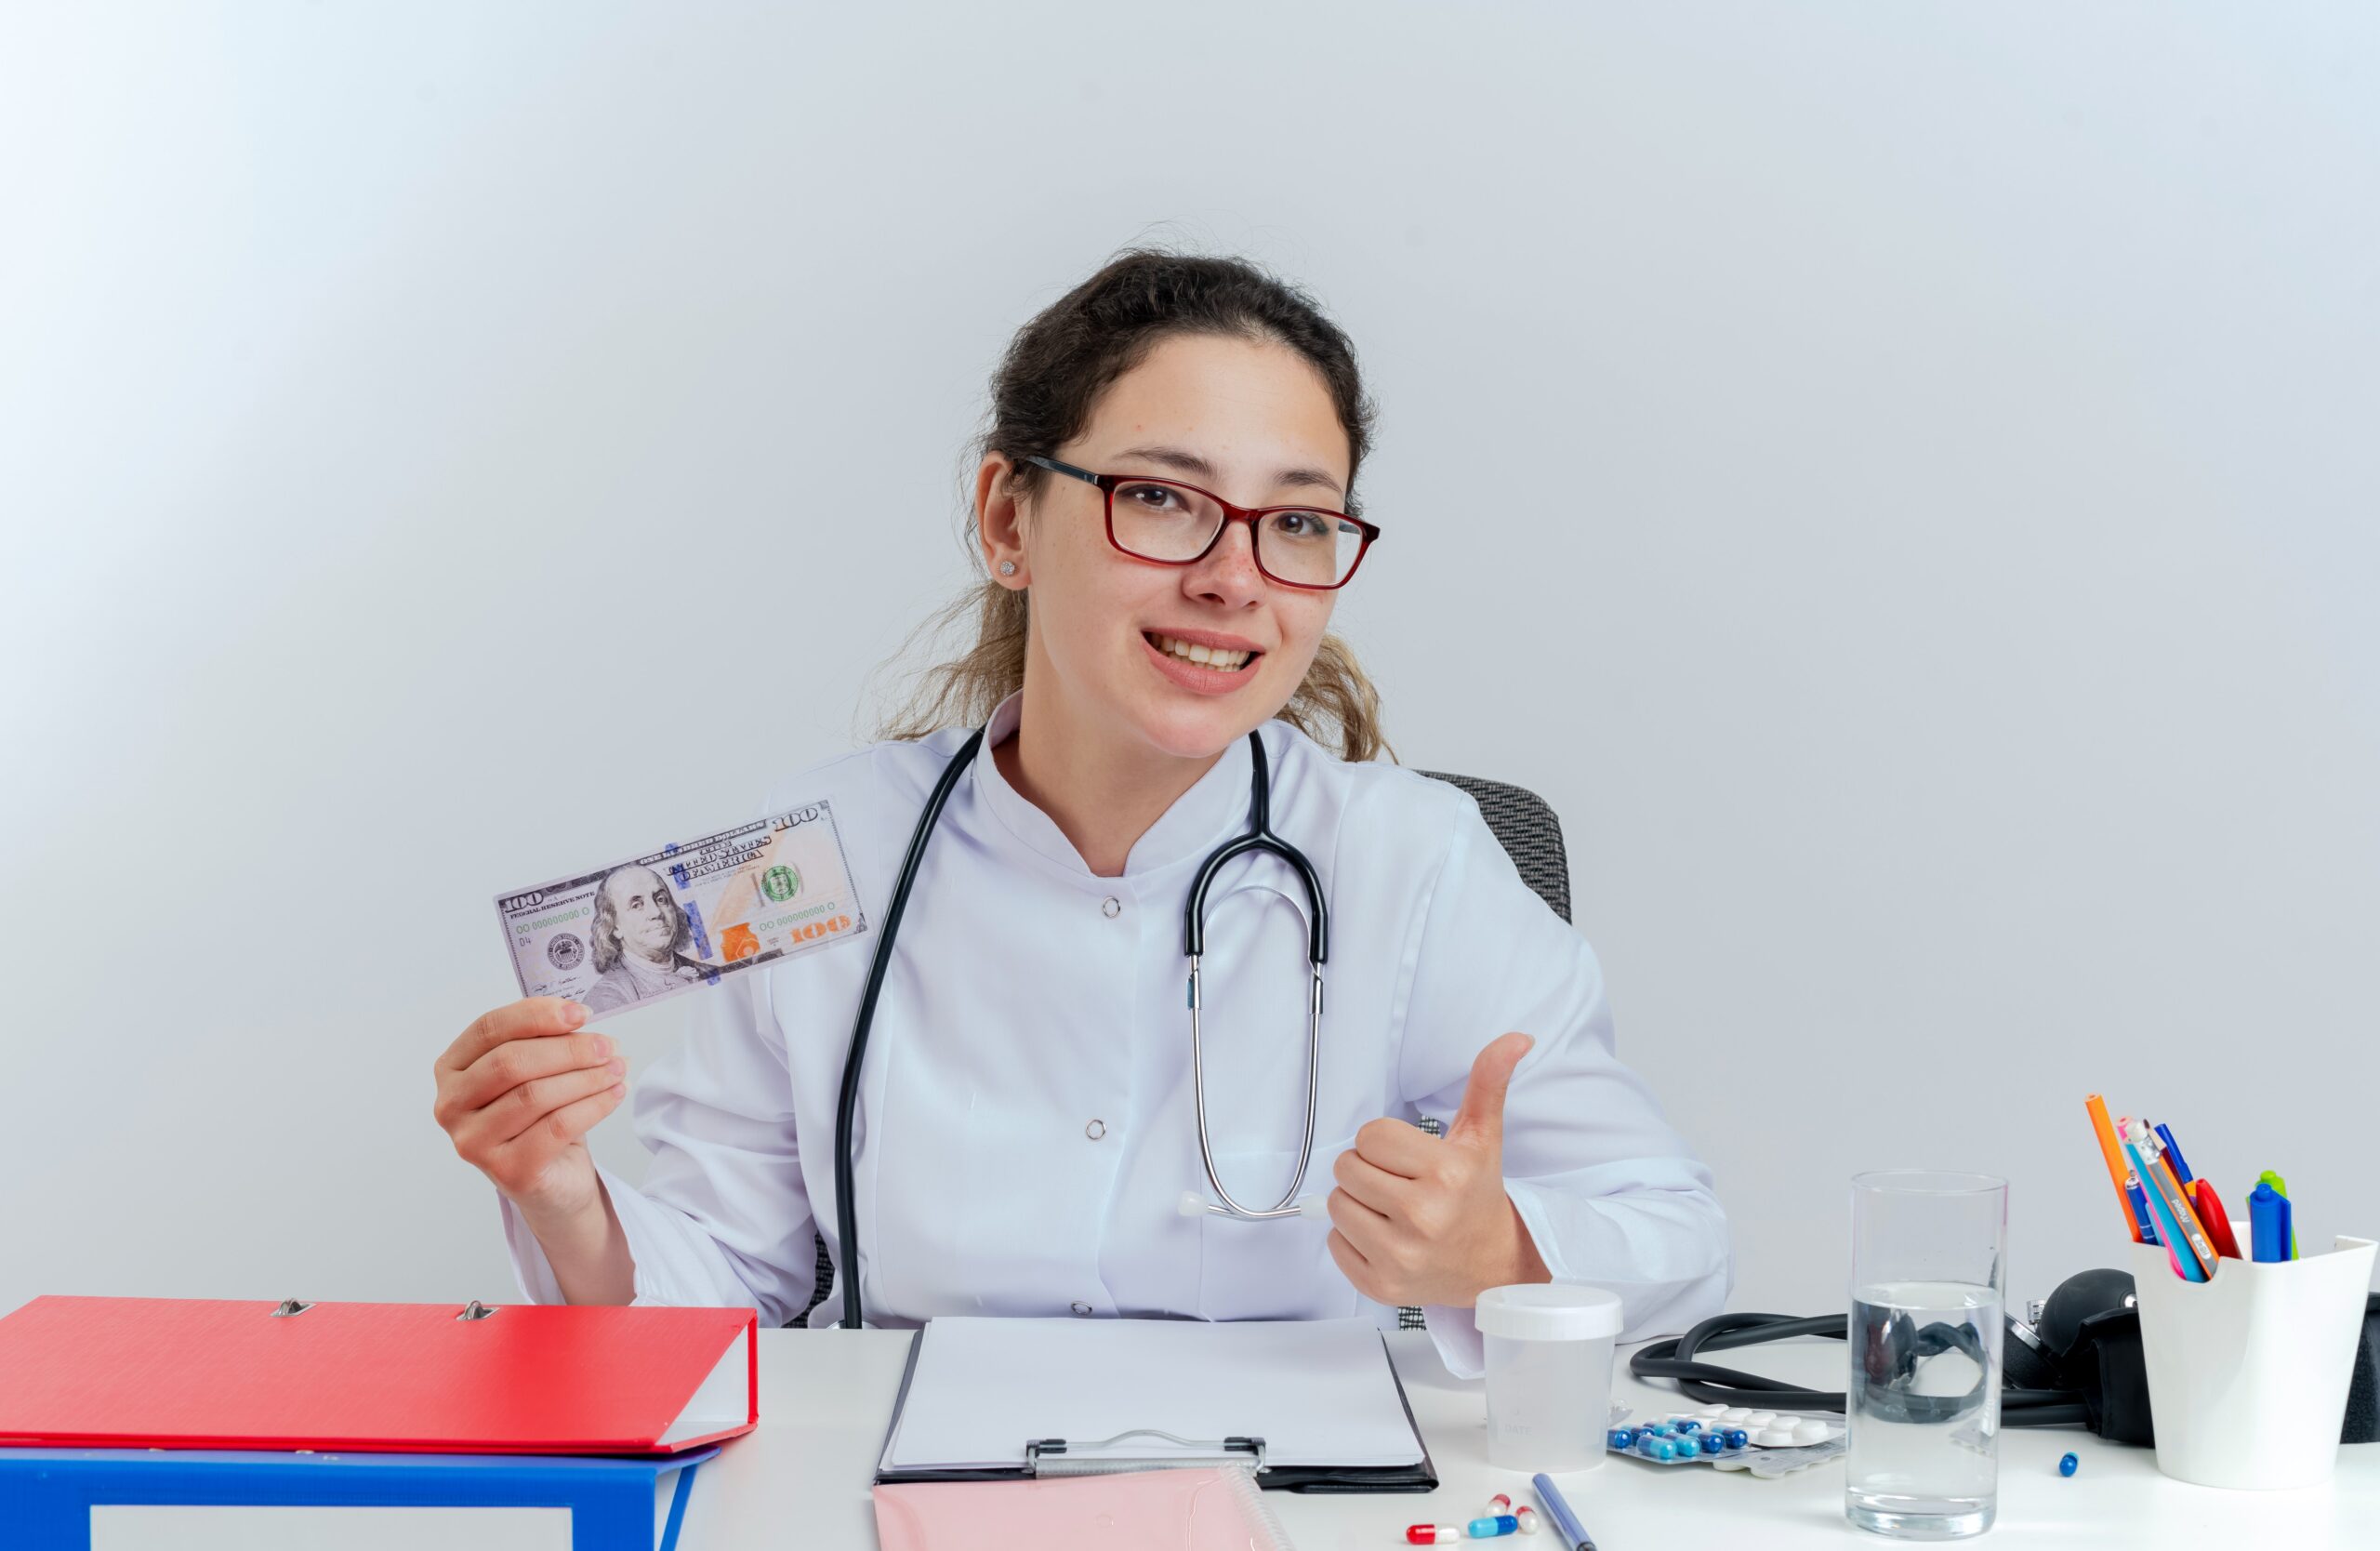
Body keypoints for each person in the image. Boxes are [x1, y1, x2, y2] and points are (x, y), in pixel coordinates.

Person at [431, 249, 1731, 1377]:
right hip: (908, 1489)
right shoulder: (813, 852)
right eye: (1161, 498)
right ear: (1008, 517)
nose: (1235, 579)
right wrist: (564, 1197)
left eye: (1296, 522)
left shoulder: (1410, 858)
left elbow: (1676, 1233)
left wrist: (1496, 1251)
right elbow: (725, 1282)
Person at [577, 864, 712, 1014]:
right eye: (636, 905)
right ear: (615, 927)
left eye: (661, 899)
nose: (656, 912)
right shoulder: (605, 999)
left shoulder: (709, 972)